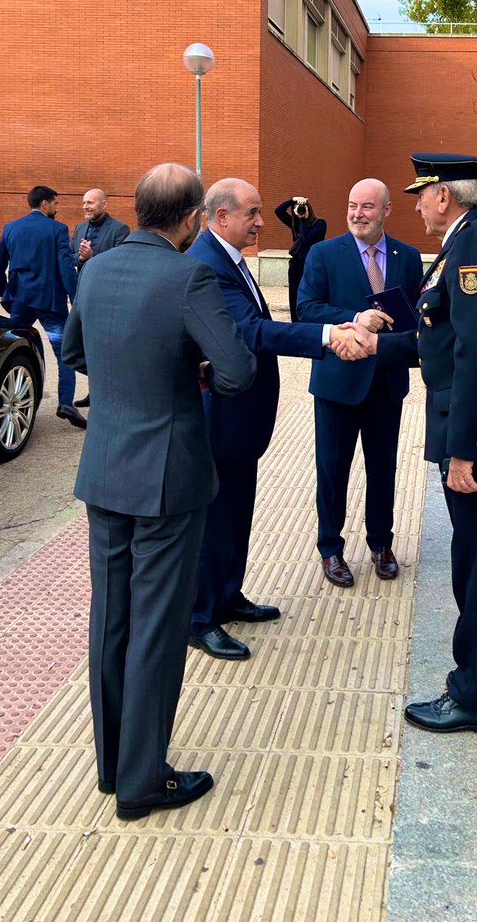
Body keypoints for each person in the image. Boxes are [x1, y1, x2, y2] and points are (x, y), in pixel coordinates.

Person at [335, 153, 477, 734]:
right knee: (476, 559)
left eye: (420, 194)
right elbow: (443, 336)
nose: (414, 205)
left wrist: (466, 448)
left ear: (445, 197)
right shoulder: (469, 239)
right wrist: (377, 345)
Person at [62, 163, 255, 822]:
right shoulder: (189, 275)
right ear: (193, 218)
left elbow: (74, 355)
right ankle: (144, 780)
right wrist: (191, 373)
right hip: (169, 477)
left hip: (105, 471)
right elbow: (235, 371)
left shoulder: (95, 269)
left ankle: (115, 765)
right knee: (156, 627)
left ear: (139, 210)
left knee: (111, 617)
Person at [188, 178, 352, 660]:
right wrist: (326, 335)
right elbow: (251, 332)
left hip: (241, 419)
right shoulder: (206, 265)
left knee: (237, 512)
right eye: (253, 213)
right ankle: (201, 617)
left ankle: (227, 595)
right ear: (221, 217)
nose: (262, 221)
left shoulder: (228, 259)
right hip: (221, 418)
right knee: (217, 518)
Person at [297, 178, 423, 587]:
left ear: (386, 210)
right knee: (332, 470)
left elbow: (412, 318)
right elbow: (306, 309)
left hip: (386, 382)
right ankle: (330, 548)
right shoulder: (324, 253)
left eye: (367, 207)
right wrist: (355, 317)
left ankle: (380, 543)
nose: (357, 214)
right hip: (338, 383)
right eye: (352, 205)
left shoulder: (407, 256)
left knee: (383, 467)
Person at [0, 185, 85, 429]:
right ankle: (65, 403)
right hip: (50, 302)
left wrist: (1, 288)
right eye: (55, 203)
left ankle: (11, 392)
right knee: (64, 353)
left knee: (14, 348)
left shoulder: (11, 227)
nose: (56, 208)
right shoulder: (58, 229)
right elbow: (65, 267)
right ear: (45, 203)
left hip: (20, 300)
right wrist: (77, 300)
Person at [71, 189, 130, 407]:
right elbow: (71, 259)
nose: (86, 206)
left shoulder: (119, 229)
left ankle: (111, 392)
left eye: (91, 203)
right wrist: (78, 258)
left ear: (104, 204)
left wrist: (93, 257)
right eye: (84, 202)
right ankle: (94, 391)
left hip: (109, 298)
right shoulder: (79, 228)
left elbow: (122, 262)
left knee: (108, 348)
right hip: (84, 297)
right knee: (87, 346)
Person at [274, 195, 327, 321]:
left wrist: (303, 219)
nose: (302, 210)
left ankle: (310, 320)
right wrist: (292, 200)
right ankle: (295, 322)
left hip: (310, 264)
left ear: (309, 209)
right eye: (298, 209)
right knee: (294, 295)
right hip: (296, 265)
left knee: (310, 294)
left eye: (304, 208)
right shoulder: (296, 224)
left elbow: (306, 238)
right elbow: (278, 211)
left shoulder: (320, 224)